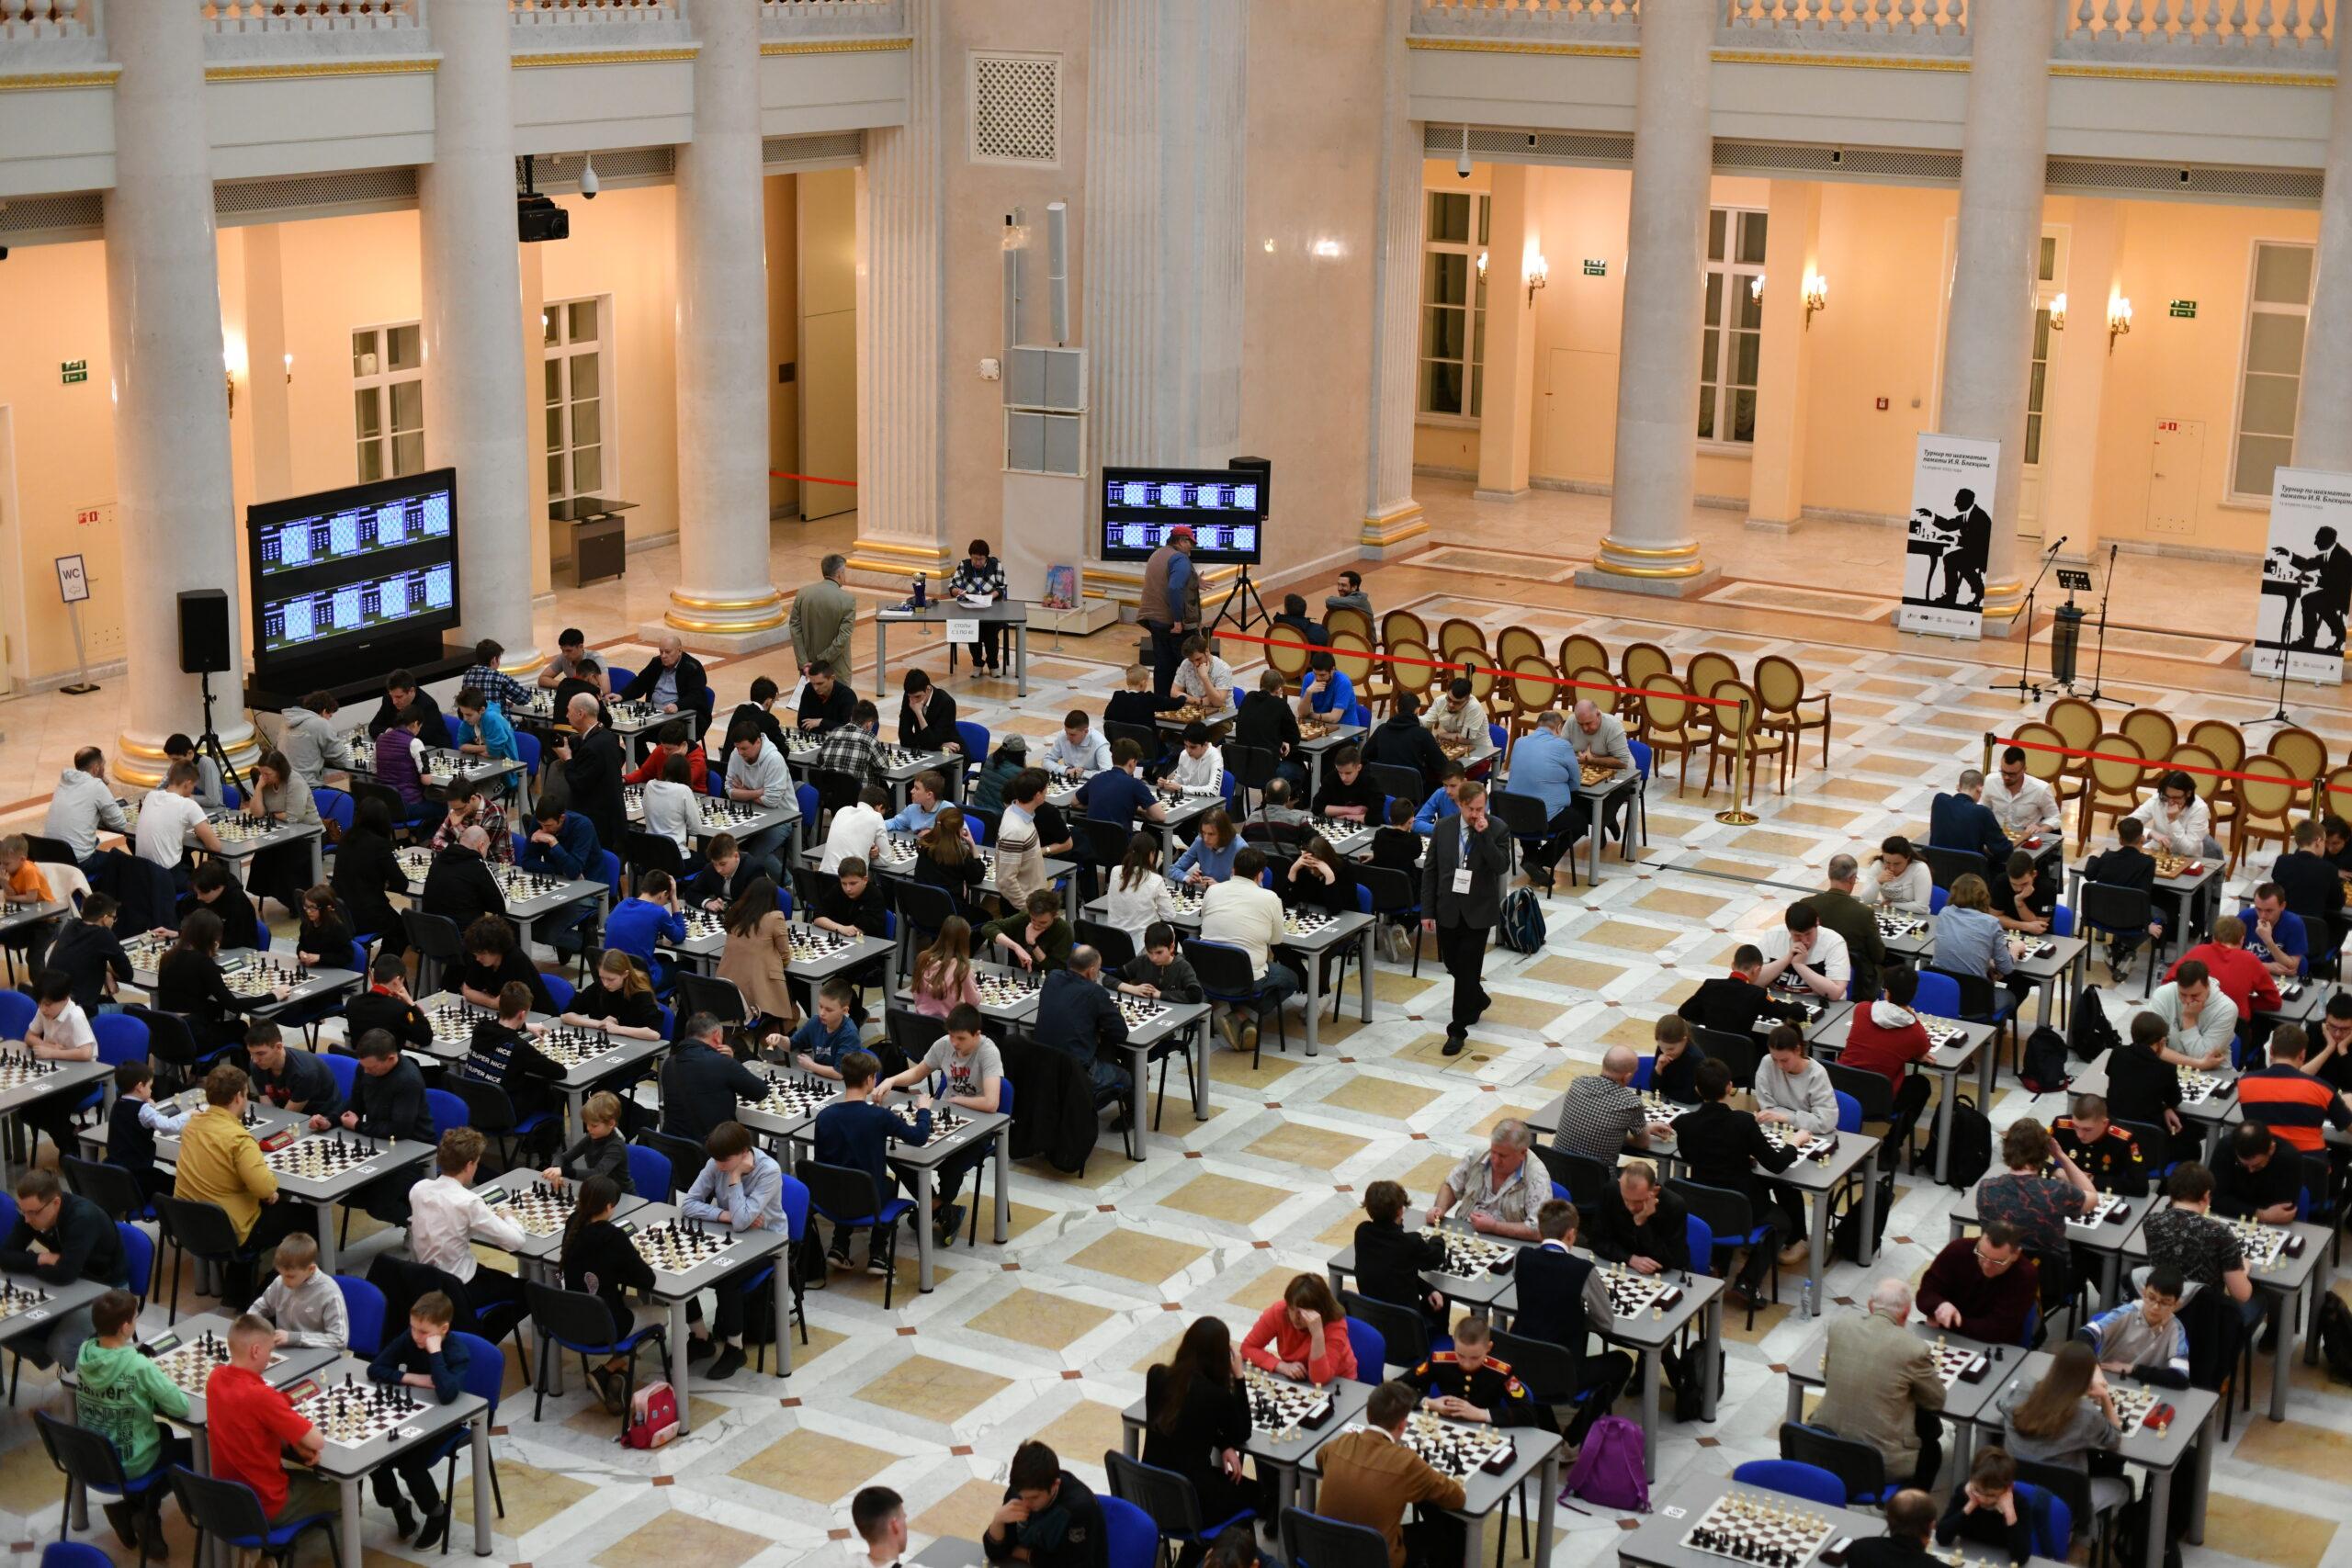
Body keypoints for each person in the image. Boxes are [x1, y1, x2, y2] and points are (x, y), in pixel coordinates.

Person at [174, 1066, 305, 1304]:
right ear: (238, 1097)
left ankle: (236, 1294)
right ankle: (265, 1297)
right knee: (306, 1219)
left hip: (187, 1223)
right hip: (228, 1230)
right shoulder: (239, 1139)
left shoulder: (191, 1126)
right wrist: (269, 1190)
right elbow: (265, 1189)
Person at [74, 1287, 193, 1548]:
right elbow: (181, 1406)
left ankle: (130, 1508)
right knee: (197, 1452)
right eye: (135, 1318)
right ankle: (145, 1508)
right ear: (126, 1326)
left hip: (94, 1456)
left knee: (165, 1433)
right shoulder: (139, 1365)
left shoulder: (85, 1353)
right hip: (131, 1460)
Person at [1511, 1199, 1634, 1441]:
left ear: (1540, 1230)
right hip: (1564, 1372)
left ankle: (1548, 1431)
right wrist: (1579, 1317)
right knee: (1622, 1362)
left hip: (1521, 1364)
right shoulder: (1582, 1270)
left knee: (1535, 1369)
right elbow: (1606, 1323)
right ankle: (1575, 1436)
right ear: (1571, 1234)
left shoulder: (1522, 1257)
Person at [203, 1314, 340, 1532]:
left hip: (226, 1497)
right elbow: (317, 1441)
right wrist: (298, 1438)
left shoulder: (215, 1378)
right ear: (256, 1351)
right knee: (343, 1493)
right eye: (269, 1352)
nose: (269, 1358)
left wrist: (292, 1443)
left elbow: (250, 1426)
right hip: (265, 1505)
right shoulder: (262, 1396)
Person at [1310, 1379, 1465, 1568]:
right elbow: (1457, 1498)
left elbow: (1319, 1460)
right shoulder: (1407, 1462)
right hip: (1374, 1559)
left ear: (1368, 1415)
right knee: (1448, 1533)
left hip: (1321, 1555)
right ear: (1402, 1425)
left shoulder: (1342, 1441)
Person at [678, 1119, 791, 1378]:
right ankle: (700, 1338)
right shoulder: (716, 1162)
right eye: (716, 1161)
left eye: (725, 1162)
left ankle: (735, 1348)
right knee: (682, 1269)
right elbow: (689, 1204)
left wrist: (735, 1177)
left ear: (744, 1154)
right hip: (729, 1234)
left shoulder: (768, 1170)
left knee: (727, 1279)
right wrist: (725, 1215)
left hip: (768, 1243)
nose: (718, 1166)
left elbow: (743, 1222)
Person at [1812, 1279, 1948, 1487]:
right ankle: (1908, 1513)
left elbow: (1828, 1375)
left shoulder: (1840, 1325)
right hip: (1877, 1464)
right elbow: (1936, 1401)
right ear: (1906, 1313)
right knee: (1932, 1447)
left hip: (1824, 1447)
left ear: (1870, 1305)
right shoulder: (1914, 1348)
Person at [1675, 1057, 1809, 1266]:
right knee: (1783, 1223)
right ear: (1730, 1087)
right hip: (1740, 1207)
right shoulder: (1743, 1122)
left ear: (1697, 1090)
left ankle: (1718, 1265)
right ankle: (1748, 1281)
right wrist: (1795, 1142)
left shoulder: (1683, 1123)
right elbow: (1776, 1164)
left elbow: (1689, 1156)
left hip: (1700, 1205)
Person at [367, 1290, 470, 1547]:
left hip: (445, 1423)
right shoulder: (409, 1338)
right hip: (411, 1415)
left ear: (443, 1329)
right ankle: (400, 1506)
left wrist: (435, 1354)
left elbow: (446, 1394)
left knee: (410, 1466)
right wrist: (414, 1378)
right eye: (412, 1328)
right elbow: (375, 1368)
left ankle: (437, 1514)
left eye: (423, 1332)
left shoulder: (457, 1352)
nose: (415, 1336)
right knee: (375, 1460)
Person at [813, 1051, 932, 1272]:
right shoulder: (879, 1116)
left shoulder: (825, 1116)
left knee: (843, 1177)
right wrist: (924, 1111)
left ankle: (839, 1247)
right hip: (867, 1199)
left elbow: (821, 1162)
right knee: (887, 1183)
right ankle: (878, 1254)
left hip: (830, 1198)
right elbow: (919, 1137)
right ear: (870, 1079)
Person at [4, 1167, 129, 1371]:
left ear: (55, 1203)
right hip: (68, 1287)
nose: (26, 1219)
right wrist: (42, 1258)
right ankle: (47, 1355)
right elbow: (5, 1257)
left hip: (107, 1291)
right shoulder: (33, 1213)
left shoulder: (82, 1218)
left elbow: (64, 1274)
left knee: (62, 1344)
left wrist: (41, 1264)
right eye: (22, 1211)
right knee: (9, 1330)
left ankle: (95, 1393)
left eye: (32, 1212)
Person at [1421, 778, 1512, 1055]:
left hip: (1478, 911)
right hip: (1448, 907)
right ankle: (1478, 997)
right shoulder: (1444, 828)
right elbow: (1431, 871)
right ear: (1460, 805)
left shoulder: (1497, 829)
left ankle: (1456, 1031)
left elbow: (1500, 866)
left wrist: (1484, 836)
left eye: (1481, 809)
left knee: (1467, 970)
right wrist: (1427, 910)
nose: (1476, 815)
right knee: (1452, 963)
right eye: (1472, 809)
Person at [1141, 1316, 1259, 1529]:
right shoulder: (1215, 1395)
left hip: (1148, 1494)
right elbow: (1242, 1433)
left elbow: (1186, 1423)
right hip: (1191, 1503)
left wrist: (1222, 1444)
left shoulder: (1156, 1375)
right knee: (1258, 1494)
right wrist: (1239, 1377)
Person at [557, 1172, 660, 1411]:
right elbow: (648, 1279)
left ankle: (616, 1379)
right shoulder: (613, 1236)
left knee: (633, 1304)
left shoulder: (573, 1221)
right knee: (660, 1316)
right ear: (609, 1206)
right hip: (603, 1325)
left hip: (572, 1317)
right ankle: (609, 1369)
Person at [405, 1127, 527, 1318]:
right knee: (528, 1290)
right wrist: (508, 1216)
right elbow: (516, 1241)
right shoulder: (468, 1202)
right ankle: (483, 1337)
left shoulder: (419, 1189)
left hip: (426, 1281)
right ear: (469, 1165)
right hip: (460, 1287)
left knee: (496, 1277)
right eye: (478, 1162)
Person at [2141, 1162, 2261, 1329]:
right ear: (2206, 1196)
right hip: (2206, 1319)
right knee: (2261, 1299)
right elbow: (2242, 1295)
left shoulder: (2151, 1222)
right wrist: (2244, 1268)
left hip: (2163, 1308)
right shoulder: (2220, 1233)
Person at [1199, 847, 1297, 1053]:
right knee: (1290, 979)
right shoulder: (1270, 898)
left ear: (1233, 869)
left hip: (1206, 974)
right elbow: (1277, 940)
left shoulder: (1213, 890)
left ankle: (1223, 1010)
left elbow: (1204, 920)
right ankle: (1244, 1015)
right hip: (1246, 978)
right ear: (1260, 874)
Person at [1977, 1118, 2098, 1258]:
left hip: (2002, 1271)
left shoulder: (1985, 1188)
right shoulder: (2058, 1192)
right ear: (2045, 1152)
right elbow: (2092, 1196)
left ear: (2007, 1148)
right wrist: (2061, 1156)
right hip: (2048, 1276)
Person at [982, 1440, 1110, 1568]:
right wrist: (998, 1520)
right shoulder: (1019, 1490)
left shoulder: (1079, 1509)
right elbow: (996, 1554)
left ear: (1055, 1485)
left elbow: (1071, 1563)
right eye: (1023, 1496)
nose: (1026, 1504)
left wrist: (1026, 1554)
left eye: (1034, 1497)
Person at [157, 908, 264, 1061]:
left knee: (214, 1012)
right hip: (192, 1037)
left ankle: (198, 1073)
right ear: (212, 937)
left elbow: (188, 982)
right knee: (240, 1027)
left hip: (166, 1033)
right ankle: (243, 1079)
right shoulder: (203, 962)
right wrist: (274, 996)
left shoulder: (168, 957)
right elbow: (233, 1004)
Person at [458, 980, 568, 1125]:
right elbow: (560, 1072)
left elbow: (500, 1027)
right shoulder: (519, 1047)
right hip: (502, 1115)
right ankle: (544, 1142)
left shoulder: (480, 1029)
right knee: (549, 1089)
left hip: (472, 1108)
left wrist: (524, 1026)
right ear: (522, 1014)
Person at [1033, 946, 1131, 1104]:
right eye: (1098, 971)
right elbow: (1121, 1033)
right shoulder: (1095, 992)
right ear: (1091, 971)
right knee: (1126, 1077)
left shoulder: (1053, 977)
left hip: (1043, 1065)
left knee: (1101, 1053)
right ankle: (1082, 1111)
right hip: (1077, 1072)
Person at [1916, 1223, 2039, 1346]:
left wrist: (1948, 1321)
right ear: (1979, 1243)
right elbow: (1924, 1294)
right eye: (1982, 1255)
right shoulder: (1958, 1250)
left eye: (1997, 1261)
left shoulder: (2025, 1275)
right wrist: (1940, 1305)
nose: (1986, 1265)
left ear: (2015, 1255)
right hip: (1945, 1336)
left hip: (1994, 1345)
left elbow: (1995, 1330)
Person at [2239, 1021, 2352, 1153]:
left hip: (2263, 1159)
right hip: (2309, 1165)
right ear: (2303, 1055)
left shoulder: (2245, 1083)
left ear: (2271, 1051)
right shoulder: (2323, 1089)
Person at [17, 970, 97, 1156]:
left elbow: (86, 1053)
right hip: (57, 1073)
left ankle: (71, 1150)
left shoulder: (75, 1016)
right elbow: (29, 1036)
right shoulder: (43, 1010)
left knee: (54, 1111)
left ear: (65, 999)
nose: (43, 1009)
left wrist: (53, 1052)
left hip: (84, 1077)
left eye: (47, 1004)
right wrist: (46, 1045)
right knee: (27, 1109)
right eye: (40, 1003)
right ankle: (72, 1135)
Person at [1552, 1045, 1674, 1162]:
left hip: (1556, 1171)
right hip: (1599, 1180)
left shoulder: (1577, 1084)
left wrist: (1644, 1128)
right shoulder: (1630, 1103)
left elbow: (1594, 1120)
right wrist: (1621, 1136)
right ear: (1627, 1077)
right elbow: (1643, 1144)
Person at [1427, 1120, 1544, 1240]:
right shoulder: (1477, 1154)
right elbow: (1451, 1185)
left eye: (1503, 1156)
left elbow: (1540, 1230)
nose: (1495, 1160)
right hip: (1465, 1232)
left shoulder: (1537, 1175)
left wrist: (1495, 1227)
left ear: (1522, 1153)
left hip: (1507, 1242)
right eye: (1494, 1152)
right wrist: (1439, 1209)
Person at [662, 1013, 768, 1145]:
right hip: (716, 1151)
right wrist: (732, 1063)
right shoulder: (722, 1062)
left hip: (674, 1148)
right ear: (717, 1036)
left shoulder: (668, 1064)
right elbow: (760, 1092)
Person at [1353, 1179, 1447, 1321]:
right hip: (1408, 1330)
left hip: (1374, 1322)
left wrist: (1428, 1289)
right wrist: (1437, 1239)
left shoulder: (1362, 1233)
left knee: (1433, 1293)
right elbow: (1435, 1259)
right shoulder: (1410, 1242)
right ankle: (1440, 1339)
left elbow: (1395, 1275)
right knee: (1444, 1296)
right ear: (1400, 1210)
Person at [2077, 1269, 2192, 1385]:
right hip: (2105, 1378)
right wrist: (2095, 1369)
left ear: (2176, 1305)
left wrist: (2132, 1369)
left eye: (2165, 1302)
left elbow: (2181, 1377)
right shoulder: (2126, 1312)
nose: (2156, 1307)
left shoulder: (2176, 1329)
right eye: (2151, 1298)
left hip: (2144, 1384)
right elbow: (2083, 1335)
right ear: (2143, 1293)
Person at [1507, 709, 1584, 883]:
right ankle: (1540, 860)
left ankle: (1530, 857)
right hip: (1542, 816)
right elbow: (1575, 784)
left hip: (1512, 814)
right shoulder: (1563, 746)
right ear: (1559, 727)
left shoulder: (1519, 742)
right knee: (1579, 821)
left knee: (1528, 806)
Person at [1239, 1273, 1356, 1384]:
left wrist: (1317, 1335)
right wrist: (1281, 1366)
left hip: (1339, 1382)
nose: (1295, 1318)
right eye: (1291, 1308)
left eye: (1302, 1312)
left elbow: (1320, 1379)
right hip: (1298, 1380)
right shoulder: (1280, 1311)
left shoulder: (1335, 1325)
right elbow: (1247, 1348)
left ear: (1319, 1310)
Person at [2085, 817, 2164, 977]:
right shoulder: (2148, 862)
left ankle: (2117, 948)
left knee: (2126, 909)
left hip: (2101, 916)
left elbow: (2088, 874)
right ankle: (2126, 949)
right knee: (2161, 915)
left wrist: (2094, 857)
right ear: (2142, 838)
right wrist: (2147, 922)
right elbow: (2144, 895)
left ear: (2120, 840)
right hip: (2131, 919)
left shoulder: (2107, 857)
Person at [332, 795, 409, 957]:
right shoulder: (380, 845)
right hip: (366, 915)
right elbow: (401, 884)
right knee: (403, 929)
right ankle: (382, 968)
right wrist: (386, 884)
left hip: (340, 910)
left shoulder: (346, 837)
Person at [1679, 943, 1813, 1036]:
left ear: (1732, 965)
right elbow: (1793, 1013)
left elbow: (1685, 1011)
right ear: (1757, 970)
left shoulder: (1710, 985)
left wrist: (1712, 1016)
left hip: (1709, 1055)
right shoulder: (1756, 995)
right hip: (1740, 1060)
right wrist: (1800, 1005)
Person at [1803, 853, 1888, 996]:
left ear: (1829, 875)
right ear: (1852, 879)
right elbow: (1878, 955)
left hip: (1811, 974)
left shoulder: (1806, 904)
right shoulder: (1864, 913)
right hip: (1854, 982)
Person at [1933, 873, 2024, 1007]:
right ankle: (1997, 1027)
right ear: (1985, 897)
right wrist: (2016, 948)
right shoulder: (1991, 923)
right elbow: (2006, 968)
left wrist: (1986, 964)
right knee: (2009, 996)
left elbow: (1959, 949)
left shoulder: (1944, 913)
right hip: (1974, 1001)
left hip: (1943, 995)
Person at [1586, 1159, 1691, 1274]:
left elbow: (1668, 1262)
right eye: (1626, 1199)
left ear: (1655, 1191)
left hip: (1665, 1277)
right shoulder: (1611, 1191)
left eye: (1638, 1201)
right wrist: (1630, 1259)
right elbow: (1597, 1240)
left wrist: (1642, 1223)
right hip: (1623, 1269)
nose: (1631, 1207)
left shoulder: (1674, 1206)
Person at [2165, 916, 2280, 1021]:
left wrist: (2188, 999)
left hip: (2192, 1019)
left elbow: (2166, 984)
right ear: (2242, 939)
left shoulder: (2198, 951)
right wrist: (2245, 1001)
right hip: (2234, 1029)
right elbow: (2274, 1002)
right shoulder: (2251, 960)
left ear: (2214, 938)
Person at [1934, 1449, 2033, 1567]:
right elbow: (1942, 1538)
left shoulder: (2019, 1504)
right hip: (1968, 1557)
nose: (1983, 1499)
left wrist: (2010, 1513)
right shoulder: (1964, 1493)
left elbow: (2021, 1558)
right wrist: (1969, 1506)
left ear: (2009, 1488)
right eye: (1978, 1491)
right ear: (1971, 1480)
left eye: (1991, 1495)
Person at [556, 691, 628, 852]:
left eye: (569, 711)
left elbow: (578, 783)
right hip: (609, 817)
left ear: (581, 714)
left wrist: (567, 759)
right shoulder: (608, 736)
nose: (566, 715)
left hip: (597, 822)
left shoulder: (593, 747)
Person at [106, 1059, 186, 1204]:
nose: (151, 1090)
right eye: (150, 1086)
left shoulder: (118, 1104)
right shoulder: (143, 1110)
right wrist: (190, 1116)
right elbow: (168, 1127)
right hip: (138, 1176)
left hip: (115, 1172)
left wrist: (148, 1106)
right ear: (140, 1087)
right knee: (178, 1184)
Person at [251, 1232, 350, 1349]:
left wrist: (294, 1338)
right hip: (285, 1350)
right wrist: (250, 1323)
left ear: (311, 1269)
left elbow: (339, 1340)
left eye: (290, 1276)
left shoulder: (329, 1293)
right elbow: (262, 1306)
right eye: (281, 1274)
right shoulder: (280, 1281)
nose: (284, 1281)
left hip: (315, 1353)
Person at [723, 722, 795, 880]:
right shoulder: (737, 754)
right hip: (752, 812)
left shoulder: (774, 759)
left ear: (757, 742)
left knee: (755, 855)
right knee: (727, 850)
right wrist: (758, 792)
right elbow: (729, 791)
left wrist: (744, 791)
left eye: (744, 748)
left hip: (782, 817)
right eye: (738, 748)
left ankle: (790, 886)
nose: (740, 753)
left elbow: (771, 801)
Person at [1136, 526, 1201, 697]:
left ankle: (1162, 705)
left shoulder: (1157, 554)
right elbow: (1174, 587)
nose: (1191, 547)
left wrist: (1195, 581)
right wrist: (1178, 621)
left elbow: (1164, 581)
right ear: (1181, 541)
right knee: (1193, 665)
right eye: (1190, 542)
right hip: (1172, 623)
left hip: (1154, 621)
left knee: (1163, 667)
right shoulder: (1180, 559)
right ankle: (1194, 707)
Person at [47, 747, 133, 872]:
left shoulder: (63, 783)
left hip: (50, 856)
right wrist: (102, 783)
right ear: (96, 768)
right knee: (125, 863)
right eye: (103, 765)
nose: (105, 769)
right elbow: (120, 823)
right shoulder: (96, 786)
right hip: (79, 862)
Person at [42, 893, 131, 1015]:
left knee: (110, 1001)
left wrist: (105, 972)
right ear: (105, 919)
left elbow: (81, 958)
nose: (114, 921)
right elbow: (127, 974)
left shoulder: (71, 924)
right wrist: (108, 970)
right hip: (78, 1012)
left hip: (52, 1004)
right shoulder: (104, 935)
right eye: (114, 918)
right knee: (140, 1009)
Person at [245, 1021, 345, 1129]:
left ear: (278, 1047)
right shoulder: (257, 1065)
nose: (255, 1060)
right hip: (290, 1115)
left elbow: (287, 1116)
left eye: (260, 1053)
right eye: (251, 1053)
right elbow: (267, 1104)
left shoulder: (304, 1073)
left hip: (322, 1119)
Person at [343, 1028, 434, 1145]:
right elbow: (355, 1104)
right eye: (363, 1066)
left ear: (391, 1058)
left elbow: (400, 1130)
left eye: (371, 1068)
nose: (365, 1072)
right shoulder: (366, 1067)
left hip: (413, 1142)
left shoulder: (408, 1080)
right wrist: (331, 1120)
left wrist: (358, 1125)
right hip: (379, 1136)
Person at [605, 868, 688, 992]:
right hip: (641, 980)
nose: (666, 902)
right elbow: (679, 936)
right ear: (663, 894)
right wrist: (674, 897)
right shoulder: (658, 912)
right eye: (667, 898)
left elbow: (607, 926)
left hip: (616, 974)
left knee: (666, 959)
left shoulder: (624, 903)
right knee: (688, 967)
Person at [2269, 818, 2344, 956]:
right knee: (2341, 922)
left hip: (2281, 933)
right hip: (2312, 938)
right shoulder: (2329, 869)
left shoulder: (2282, 862)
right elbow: (2337, 904)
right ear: (2318, 841)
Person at [134, 761, 221, 874]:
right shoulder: (188, 804)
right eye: (193, 786)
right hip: (166, 876)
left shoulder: (151, 795)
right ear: (187, 783)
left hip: (141, 872)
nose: (193, 791)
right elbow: (215, 847)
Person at [2211, 1121, 2304, 1224]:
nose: (2250, 1171)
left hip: (2268, 1227)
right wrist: (2260, 1214)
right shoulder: (2226, 1146)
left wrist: (2238, 1208)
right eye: (2243, 1165)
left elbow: (2282, 1213)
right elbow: (2214, 1200)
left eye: (2257, 1165)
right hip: (2231, 1219)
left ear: (2271, 1148)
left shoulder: (2289, 1159)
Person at [2052, 1094, 2147, 1196]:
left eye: (2087, 1129)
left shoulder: (2123, 1139)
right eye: (2076, 1126)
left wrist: (2091, 1180)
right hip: (2065, 1188)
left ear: (2105, 1123)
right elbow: (2033, 1155)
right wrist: (2057, 1171)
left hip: (2103, 1193)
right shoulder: (2061, 1125)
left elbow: (2140, 1186)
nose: (2079, 1135)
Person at [1755, 1024, 1840, 1135]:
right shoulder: (1767, 1063)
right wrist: (1804, 1118)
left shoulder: (1817, 1074)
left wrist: (1784, 1117)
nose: (1779, 1066)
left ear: (1798, 1050)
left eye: (1784, 1060)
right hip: (1779, 1131)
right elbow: (1768, 1111)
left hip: (1813, 1136)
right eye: (1774, 1059)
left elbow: (1825, 1122)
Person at [422, 823, 507, 934]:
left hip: (430, 936)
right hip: (466, 940)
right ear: (481, 846)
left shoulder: (438, 859)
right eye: (487, 848)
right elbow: (502, 906)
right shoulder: (478, 866)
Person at [1758, 900, 1852, 1001]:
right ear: (1788, 930)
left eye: (1808, 934)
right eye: (1797, 935)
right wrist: (1787, 959)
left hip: (1820, 1003)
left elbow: (1835, 993)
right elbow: (1752, 981)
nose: (1804, 941)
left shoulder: (1834, 942)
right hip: (1777, 1000)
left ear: (1817, 922)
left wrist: (1799, 965)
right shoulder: (1772, 936)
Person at [544, 1091, 634, 1193]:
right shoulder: (591, 1138)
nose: (588, 1129)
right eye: (587, 1124)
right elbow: (563, 1157)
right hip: (601, 1191)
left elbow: (598, 1174)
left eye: (594, 1125)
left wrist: (563, 1171)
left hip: (622, 1195)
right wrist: (556, 1170)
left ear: (611, 1123)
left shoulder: (616, 1146)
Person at [1930, 768, 2013, 877]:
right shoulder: (1982, 812)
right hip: (1969, 878)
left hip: (1937, 872)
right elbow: (2004, 851)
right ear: (1980, 789)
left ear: (1958, 787)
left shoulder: (1939, 800)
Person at [1364, 692, 1449, 796]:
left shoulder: (1381, 729)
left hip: (1382, 790)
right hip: (1413, 794)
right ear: (1418, 711)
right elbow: (1442, 765)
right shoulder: (1422, 734)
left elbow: (1364, 757)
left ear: (1396, 709)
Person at [344, 953, 435, 1050]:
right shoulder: (399, 1009)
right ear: (396, 981)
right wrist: (410, 1003)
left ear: (373, 977)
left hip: (362, 1062)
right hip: (388, 1063)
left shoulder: (352, 1002)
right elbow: (425, 1038)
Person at [1233, 670, 1306, 789]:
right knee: (1301, 771)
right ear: (1278, 689)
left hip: (1242, 769)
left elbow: (1257, 728)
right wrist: (1283, 740)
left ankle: (1263, 801)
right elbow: (1295, 737)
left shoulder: (1248, 698)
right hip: (1268, 772)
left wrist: (1279, 739)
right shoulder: (1280, 704)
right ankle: (1288, 802)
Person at [2129, 769, 2223, 860]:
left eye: (2176, 798)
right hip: (2157, 851)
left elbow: (2189, 850)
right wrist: (2151, 833)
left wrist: (2173, 821)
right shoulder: (2158, 799)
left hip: (2187, 858)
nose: (2170, 802)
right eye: (2167, 797)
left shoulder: (2199, 808)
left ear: (2189, 793)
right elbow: (2127, 823)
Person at [1101, 833, 1182, 940]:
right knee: (1169, 930)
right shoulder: (1155, 879)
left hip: (1115, 940)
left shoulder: (1115, 871)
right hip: (1144, 945)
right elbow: (1169, 915)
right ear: (1151, 854)